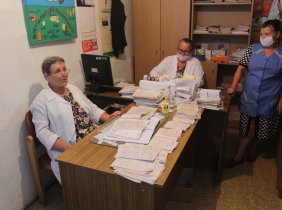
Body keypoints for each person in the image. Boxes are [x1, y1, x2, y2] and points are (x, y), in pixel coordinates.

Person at [31, 56, 120, 183]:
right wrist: (68, 148)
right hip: (71, 146)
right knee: (101, 172)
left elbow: (92, 108)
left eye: (64, 69)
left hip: (93, 136)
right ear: (46, 76)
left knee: (116, 158)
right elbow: (42, 132)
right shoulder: (41, 101)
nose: (64, 74)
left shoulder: (73, 89)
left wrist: (109, 118)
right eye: (57, 71)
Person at [226, 19, 282, 175]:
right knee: (246, 128)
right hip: (249, 96)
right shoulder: (253, 49)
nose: (263, 37)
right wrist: (233, 86)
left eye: (267, 34)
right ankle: (238, 157)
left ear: (277, 35)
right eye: (262, 34)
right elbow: (240, 69)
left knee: (264, 130)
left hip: (269, 99)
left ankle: (254, 150)